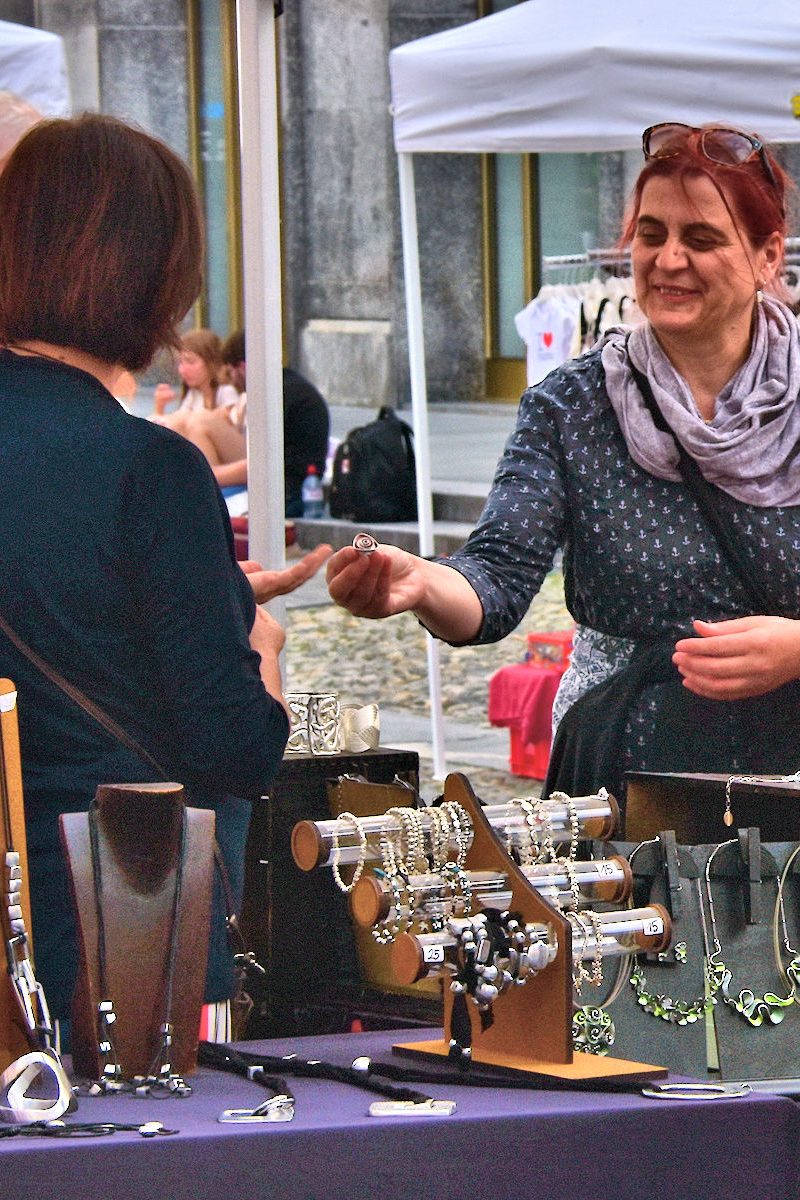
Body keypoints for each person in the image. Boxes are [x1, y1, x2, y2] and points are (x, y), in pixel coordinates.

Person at [327, 121, 800, 817]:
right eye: (651, 234)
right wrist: (422, 581)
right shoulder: (573, 403)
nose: (669, 259)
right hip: (627, 781)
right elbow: (497, 577)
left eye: (700, 239)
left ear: (766, 258)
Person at [0, 112, 292, 1024]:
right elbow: (234, 746)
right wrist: (263, 647)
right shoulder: (148, 468)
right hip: (93, 946)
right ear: (155, 270)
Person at [216, 330, 330, 517]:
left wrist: (208, 475)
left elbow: (262, 461)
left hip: (289, 493)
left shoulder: (276, 395)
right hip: (295, 486)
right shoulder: (287, 386)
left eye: (230, 372)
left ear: (242, 367)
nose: (231, 381)